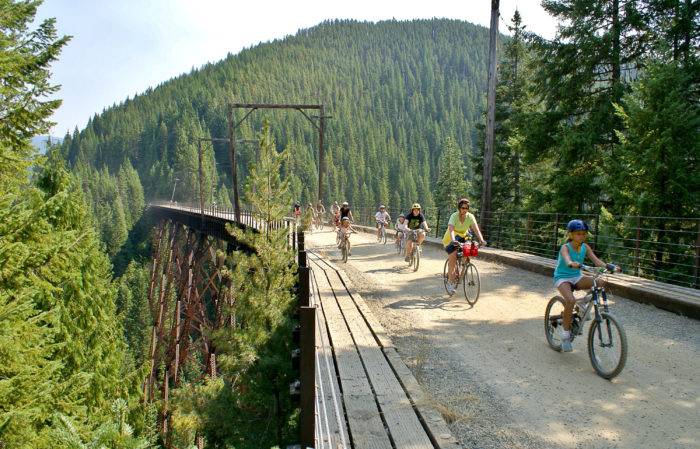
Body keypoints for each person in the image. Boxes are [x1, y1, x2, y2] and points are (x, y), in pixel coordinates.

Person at [553, 219, 620, 352]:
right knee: (570, 300)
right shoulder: (565, 247)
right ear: (571, 234)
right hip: (562, 278)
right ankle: (565, 335)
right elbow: (566, 259)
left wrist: (610, 266)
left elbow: (596, 261)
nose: (582, 236)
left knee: (600, 282)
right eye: (578, 234)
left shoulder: (585, 247)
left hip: (577, 277)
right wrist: (571, 263)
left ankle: (583, 303)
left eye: (584, 234)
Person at [443, 198, 486, 295]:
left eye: (467, 208)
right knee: (452, 261)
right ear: (459, 208)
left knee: (468, 254)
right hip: (451, 238)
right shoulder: (454, 216)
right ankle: (450, 282)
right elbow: (451, 229)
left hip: (463, 237)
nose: (465, 210)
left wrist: (481, 240)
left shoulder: (470, 217)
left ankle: (462, 270)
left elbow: (476, 230)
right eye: (463, 208)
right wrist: (454, 240)